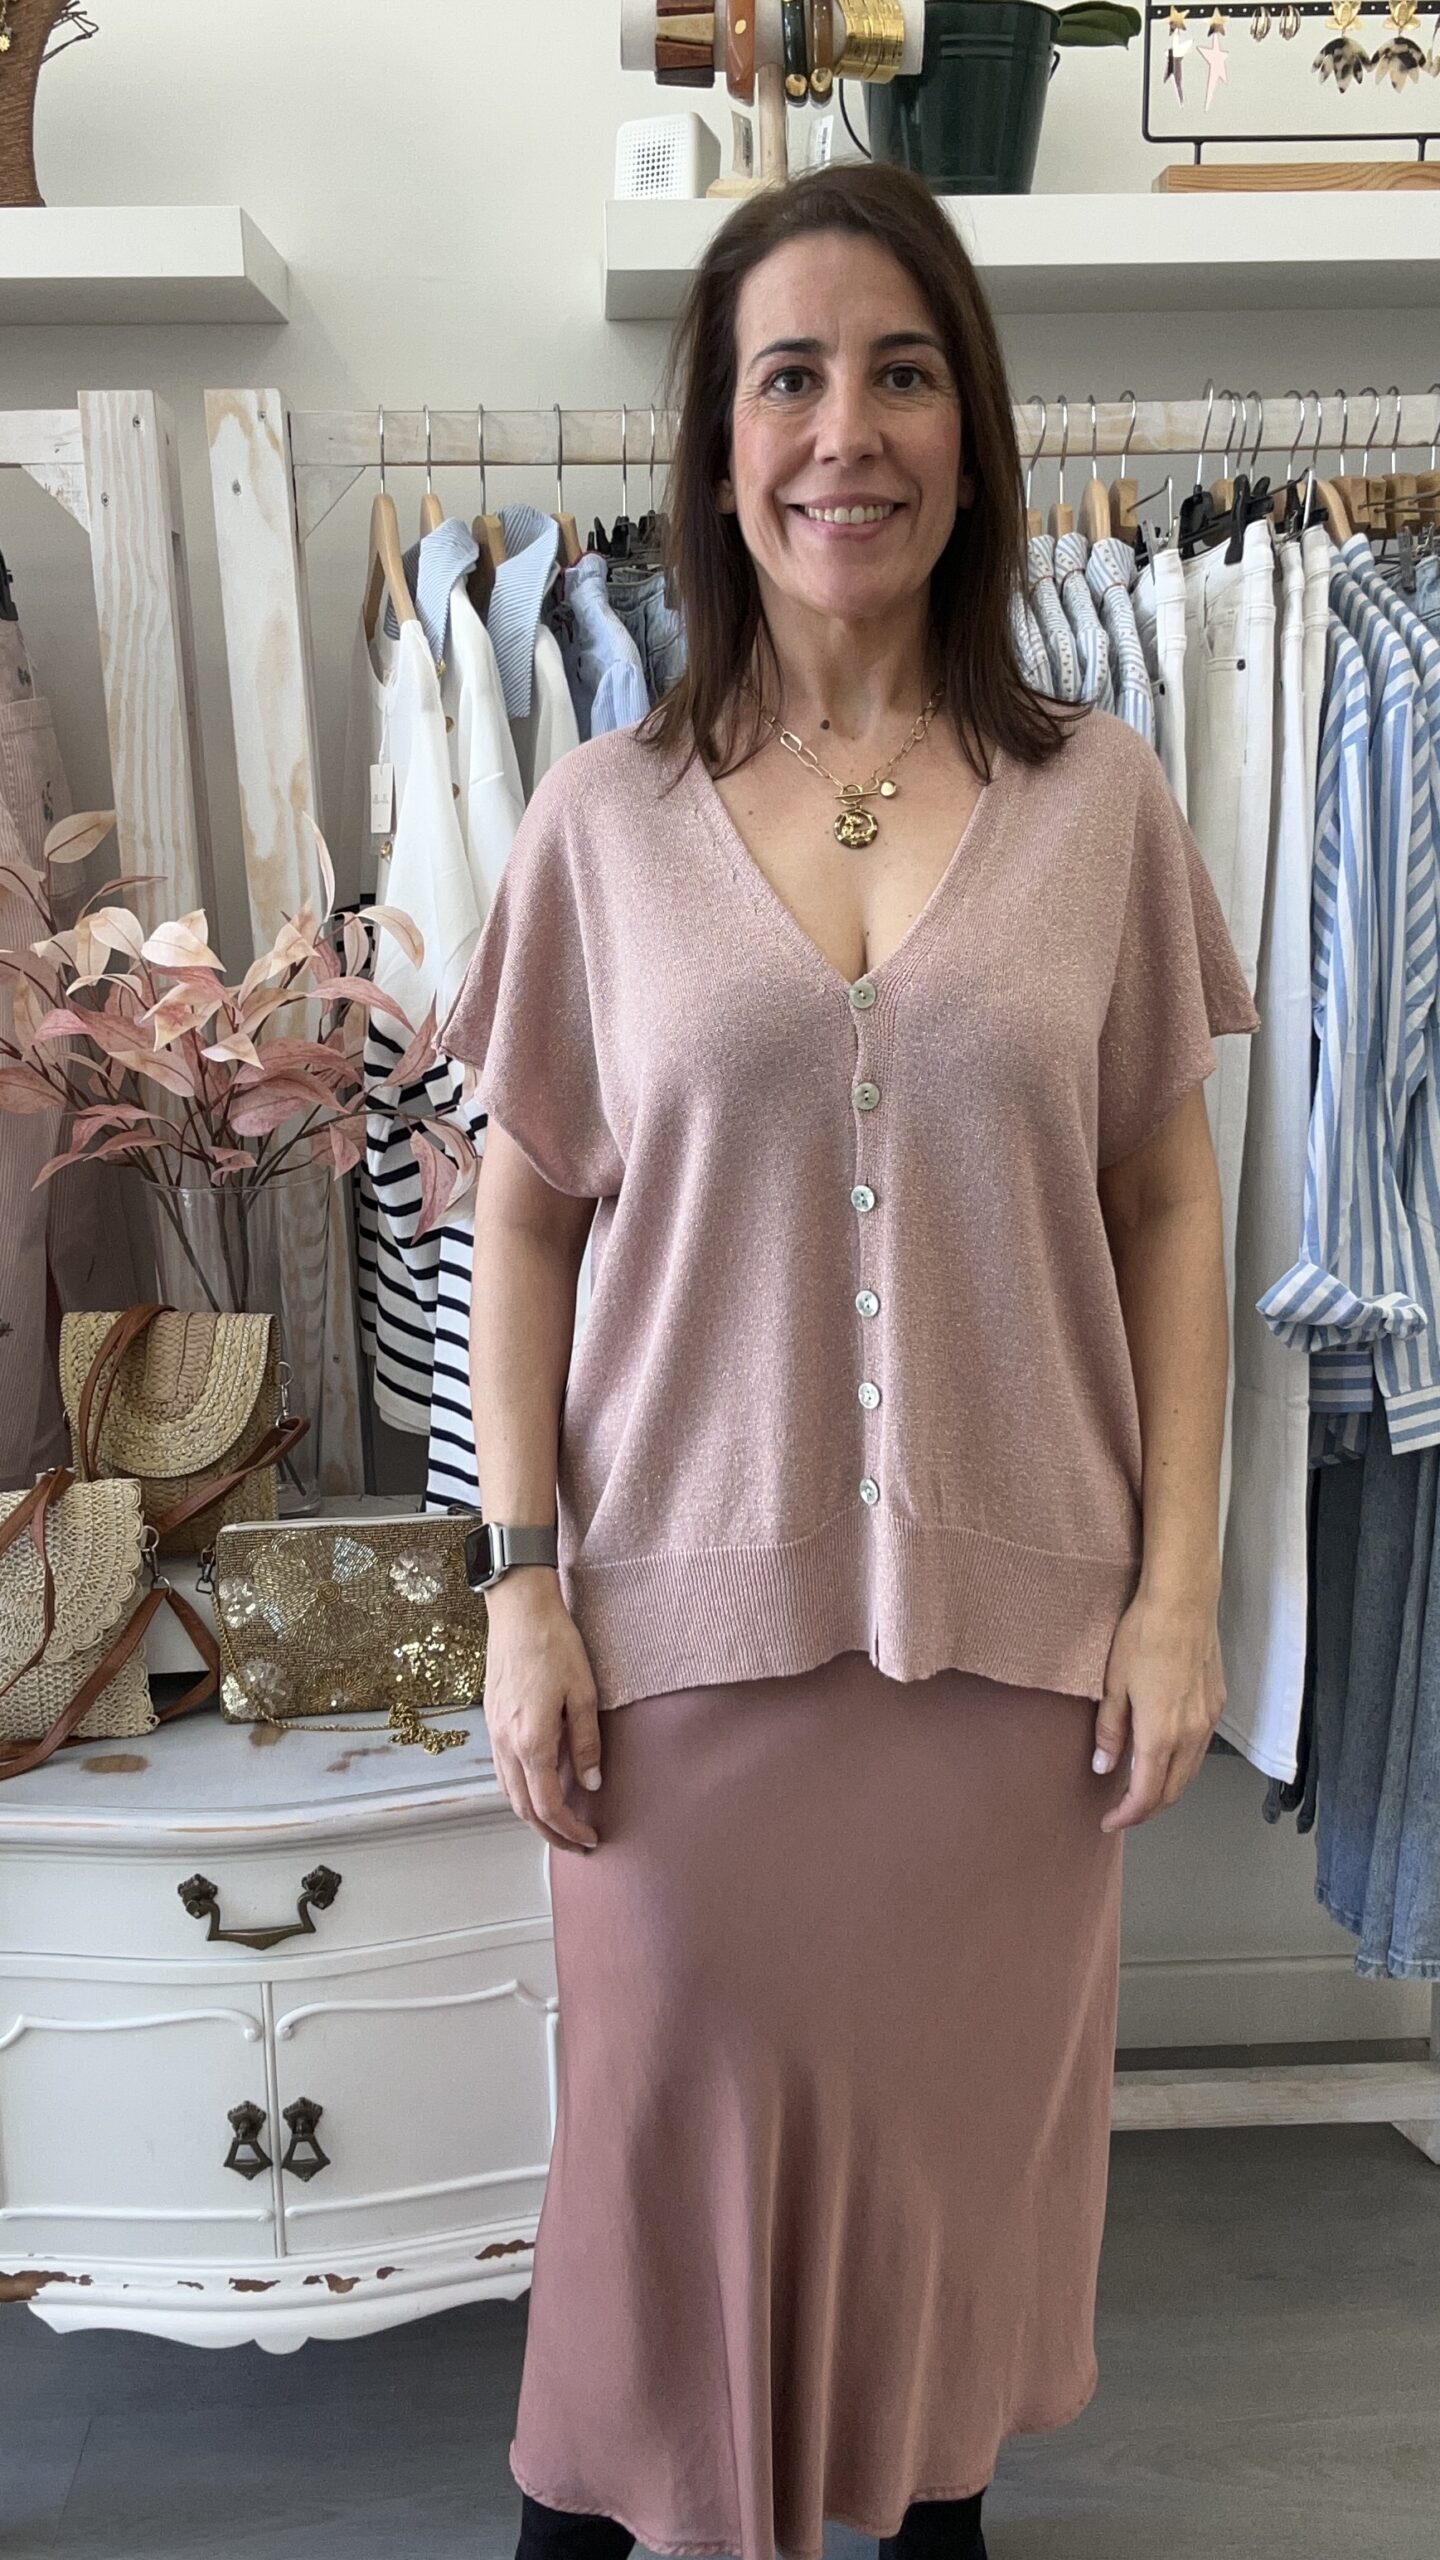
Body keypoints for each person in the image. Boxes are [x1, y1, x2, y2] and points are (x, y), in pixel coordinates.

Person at [440, 162, 1259, 2560]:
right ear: (717, 449)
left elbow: (1168, 1202)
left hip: (1011, 1695)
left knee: (936, 2307)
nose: (845, 431)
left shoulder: (1100, 801)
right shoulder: (603, 820)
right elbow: (523, 1210)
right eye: (787, 377)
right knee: (632, 2309)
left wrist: (1177, 1593)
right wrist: (518, 1583)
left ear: (971, 430)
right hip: (681, 1699)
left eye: (901, 372)